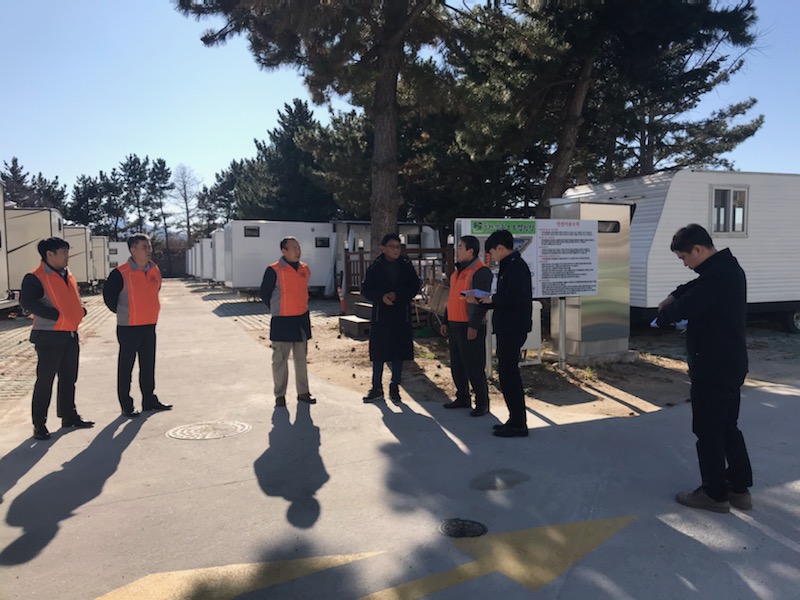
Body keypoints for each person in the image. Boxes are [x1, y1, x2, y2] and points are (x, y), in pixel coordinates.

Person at [657, 223, 753, 513]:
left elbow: (689, 304)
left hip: (713, 366)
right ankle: (739, 489)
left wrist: (664, 315)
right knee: (727, 427)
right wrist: (675, 293)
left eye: (684, 257)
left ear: (698, 249)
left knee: (708, 430)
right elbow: (694, 287)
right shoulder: (726, 268)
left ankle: (714, 494)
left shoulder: (717, 278)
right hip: (730, 363)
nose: (685, 264)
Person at [20, 237, 94, 440]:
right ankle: (39, 424)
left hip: (69, 334)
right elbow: (27, 302)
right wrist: (57, 316)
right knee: (45, 381)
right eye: (63, 252)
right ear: (49, 254)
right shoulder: (35, 277)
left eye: (67, 252)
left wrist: (80, 310)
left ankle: (68, 415)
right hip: (48, 336)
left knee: (69, 378)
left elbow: (71, 299)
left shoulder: (67, 274)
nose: (67, 256)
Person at [472, 229, 532, 437]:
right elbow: (506, 297)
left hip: (513, 328)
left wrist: (493, 299)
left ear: (500, 248)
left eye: (492, 252)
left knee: (509, 375)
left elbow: (515, 297)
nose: (491, 256)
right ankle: (514, 419)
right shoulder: (510, 265)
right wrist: (489, 300)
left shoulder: (516, 267)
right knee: (506, 374)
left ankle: (518, 424)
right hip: (509, 327)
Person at [103, 233, 172, 417]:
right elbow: (109, 298)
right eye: (144, 247)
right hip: (129, 327)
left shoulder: (154, 270)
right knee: (126, 367)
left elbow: (156, 290)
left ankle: (149, 399)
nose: (149, 250)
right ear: (133, 250)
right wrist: (125, 313)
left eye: (149, 246)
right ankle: (126, 404)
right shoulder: (120, 273)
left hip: (149, 325)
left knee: (148, 365)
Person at [361, 233, 421, 403]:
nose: (396, 250)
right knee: (378, 353)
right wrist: (381, 297)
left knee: (398, 352)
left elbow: (414, 286)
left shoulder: (405, 265)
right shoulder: (375, 267)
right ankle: (376, 387)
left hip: (400, 313)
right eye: (392, 246)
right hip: (381, 315)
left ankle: (395, 386)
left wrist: (398, 295)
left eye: (398, 247)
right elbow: (366, 290)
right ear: (383, 248)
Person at [260, 236, 316, 407]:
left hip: (301, 320)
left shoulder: (305, 269)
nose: (298, 251)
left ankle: (303, 392)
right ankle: (280, 395)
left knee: (301, 359)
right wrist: (277, 308)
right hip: (282, 321)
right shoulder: (274, 270)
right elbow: (265, 293)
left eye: (299, 248)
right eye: (294, 248)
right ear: (284, 251)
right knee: (280, 361)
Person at [440, 235, 493, 416]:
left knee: (474, 366)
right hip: (455, 324)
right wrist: (445, 320)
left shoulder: (480, 271)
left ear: (471, 251)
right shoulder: (456, 272)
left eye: (460, 247)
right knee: (457, 365)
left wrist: (474, 326)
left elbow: (482, 302)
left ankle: (482, 403)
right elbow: (452, 298)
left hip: (470, 326)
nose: (457, 250)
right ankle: (462, 397)